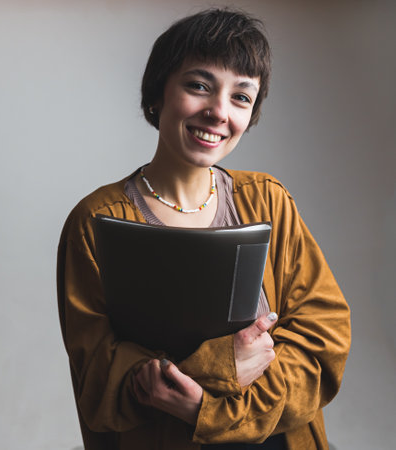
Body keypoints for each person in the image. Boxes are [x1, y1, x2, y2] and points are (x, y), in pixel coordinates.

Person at [57, 8, 350, 450]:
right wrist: (221, 365)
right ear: (158, 92)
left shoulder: (270, 202)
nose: (218, 112)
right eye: (199, 86)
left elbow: (323, 339)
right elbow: (97, 377)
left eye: (241, 97)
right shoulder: (94, 222)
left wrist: (208, 411)